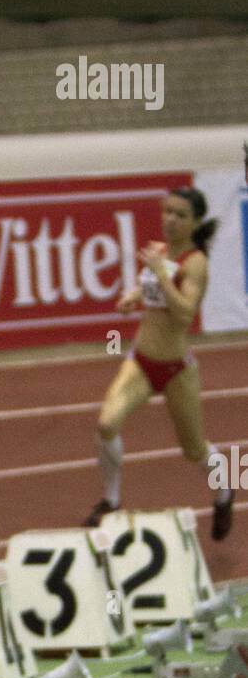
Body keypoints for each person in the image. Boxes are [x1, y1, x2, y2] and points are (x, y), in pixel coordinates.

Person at [83, 187, 234, 540]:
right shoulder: (160, 253)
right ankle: (111, 500)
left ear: (195, 222)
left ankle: (225, 491)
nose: (170, 220)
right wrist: (132, 297)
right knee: (107, 423)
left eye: (180, 215)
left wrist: (162, 275)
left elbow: (184, 314)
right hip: (142, 360)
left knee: (194, 450)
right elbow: (151, 291)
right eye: (167, 212)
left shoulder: (196, 263)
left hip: (177, 369)